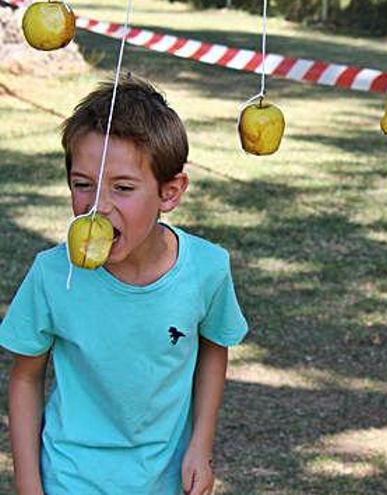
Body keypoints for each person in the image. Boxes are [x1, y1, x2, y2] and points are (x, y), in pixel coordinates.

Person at [1, 75, 248, 494]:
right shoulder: (51, 274)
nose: (97, 206)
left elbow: (213, 347)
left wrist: (200, 445)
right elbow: (25, 377)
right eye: (82, 184)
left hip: (165, 481)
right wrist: (28, 483)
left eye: (123, 187)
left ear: (170, 193)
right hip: (69, 478)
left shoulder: (208, 269)